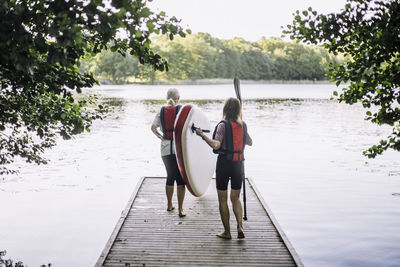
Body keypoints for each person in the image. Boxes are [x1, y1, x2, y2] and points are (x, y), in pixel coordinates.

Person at [195, 97, 252, 239]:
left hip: (224, 165)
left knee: (222, 199)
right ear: (239, 110)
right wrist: (242, 128)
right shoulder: (243, 125)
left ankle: (227, 232)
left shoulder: (223, 125)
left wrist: (202, 135)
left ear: (225, 109)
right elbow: (249, 142)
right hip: (238, 165)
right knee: (236, 198)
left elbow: (216, 145)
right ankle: (239, 226)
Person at [151, 88, 186, 217]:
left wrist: (162, 137)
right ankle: (181, 210)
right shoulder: (181, 110)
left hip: (165, 148)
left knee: (170, 175)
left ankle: (169, 204)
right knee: (180, 178)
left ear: (167, 98)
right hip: (178, 148)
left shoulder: (161, 111)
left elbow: (153, 128)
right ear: (178, 98)